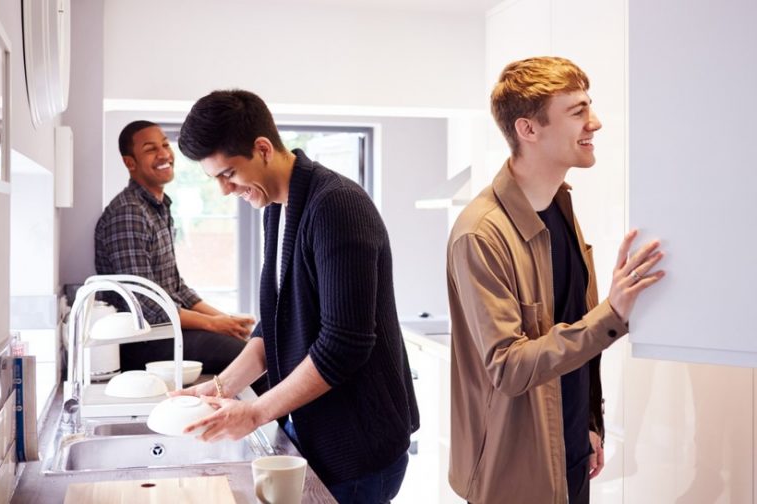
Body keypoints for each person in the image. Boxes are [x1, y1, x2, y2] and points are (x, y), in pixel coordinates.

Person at [174, 90, 419, 503]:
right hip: (314, 434)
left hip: (357, 446)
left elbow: (344, 345)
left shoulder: (336, 205)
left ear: (263, 149)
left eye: (229, 174)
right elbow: (276, 328)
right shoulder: (278, 208)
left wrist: (253, 412)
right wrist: (217, 389)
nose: (224, 190)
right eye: (215, 178)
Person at [447, 56, 665, 504]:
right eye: (578, 111)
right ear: (529, 130)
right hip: (512, 476)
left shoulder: (560, 206)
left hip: (567, 452)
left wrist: (586, 420)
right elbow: (509, 366)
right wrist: (613, 313)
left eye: (590, 107)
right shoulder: (480, 234)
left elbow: (566, 321)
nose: (596, 123)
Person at [94, 120, 255, 374]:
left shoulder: (157, 207)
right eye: (150, 149)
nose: (163, 154)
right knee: (249, 356)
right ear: (130, 163)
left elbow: (176, 287)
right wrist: (214, 325)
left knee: (252, 343)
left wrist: (224, 319)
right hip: (143, 342)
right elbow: (147, 306)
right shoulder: (129, 213)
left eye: (165, 145)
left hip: (166, 330)